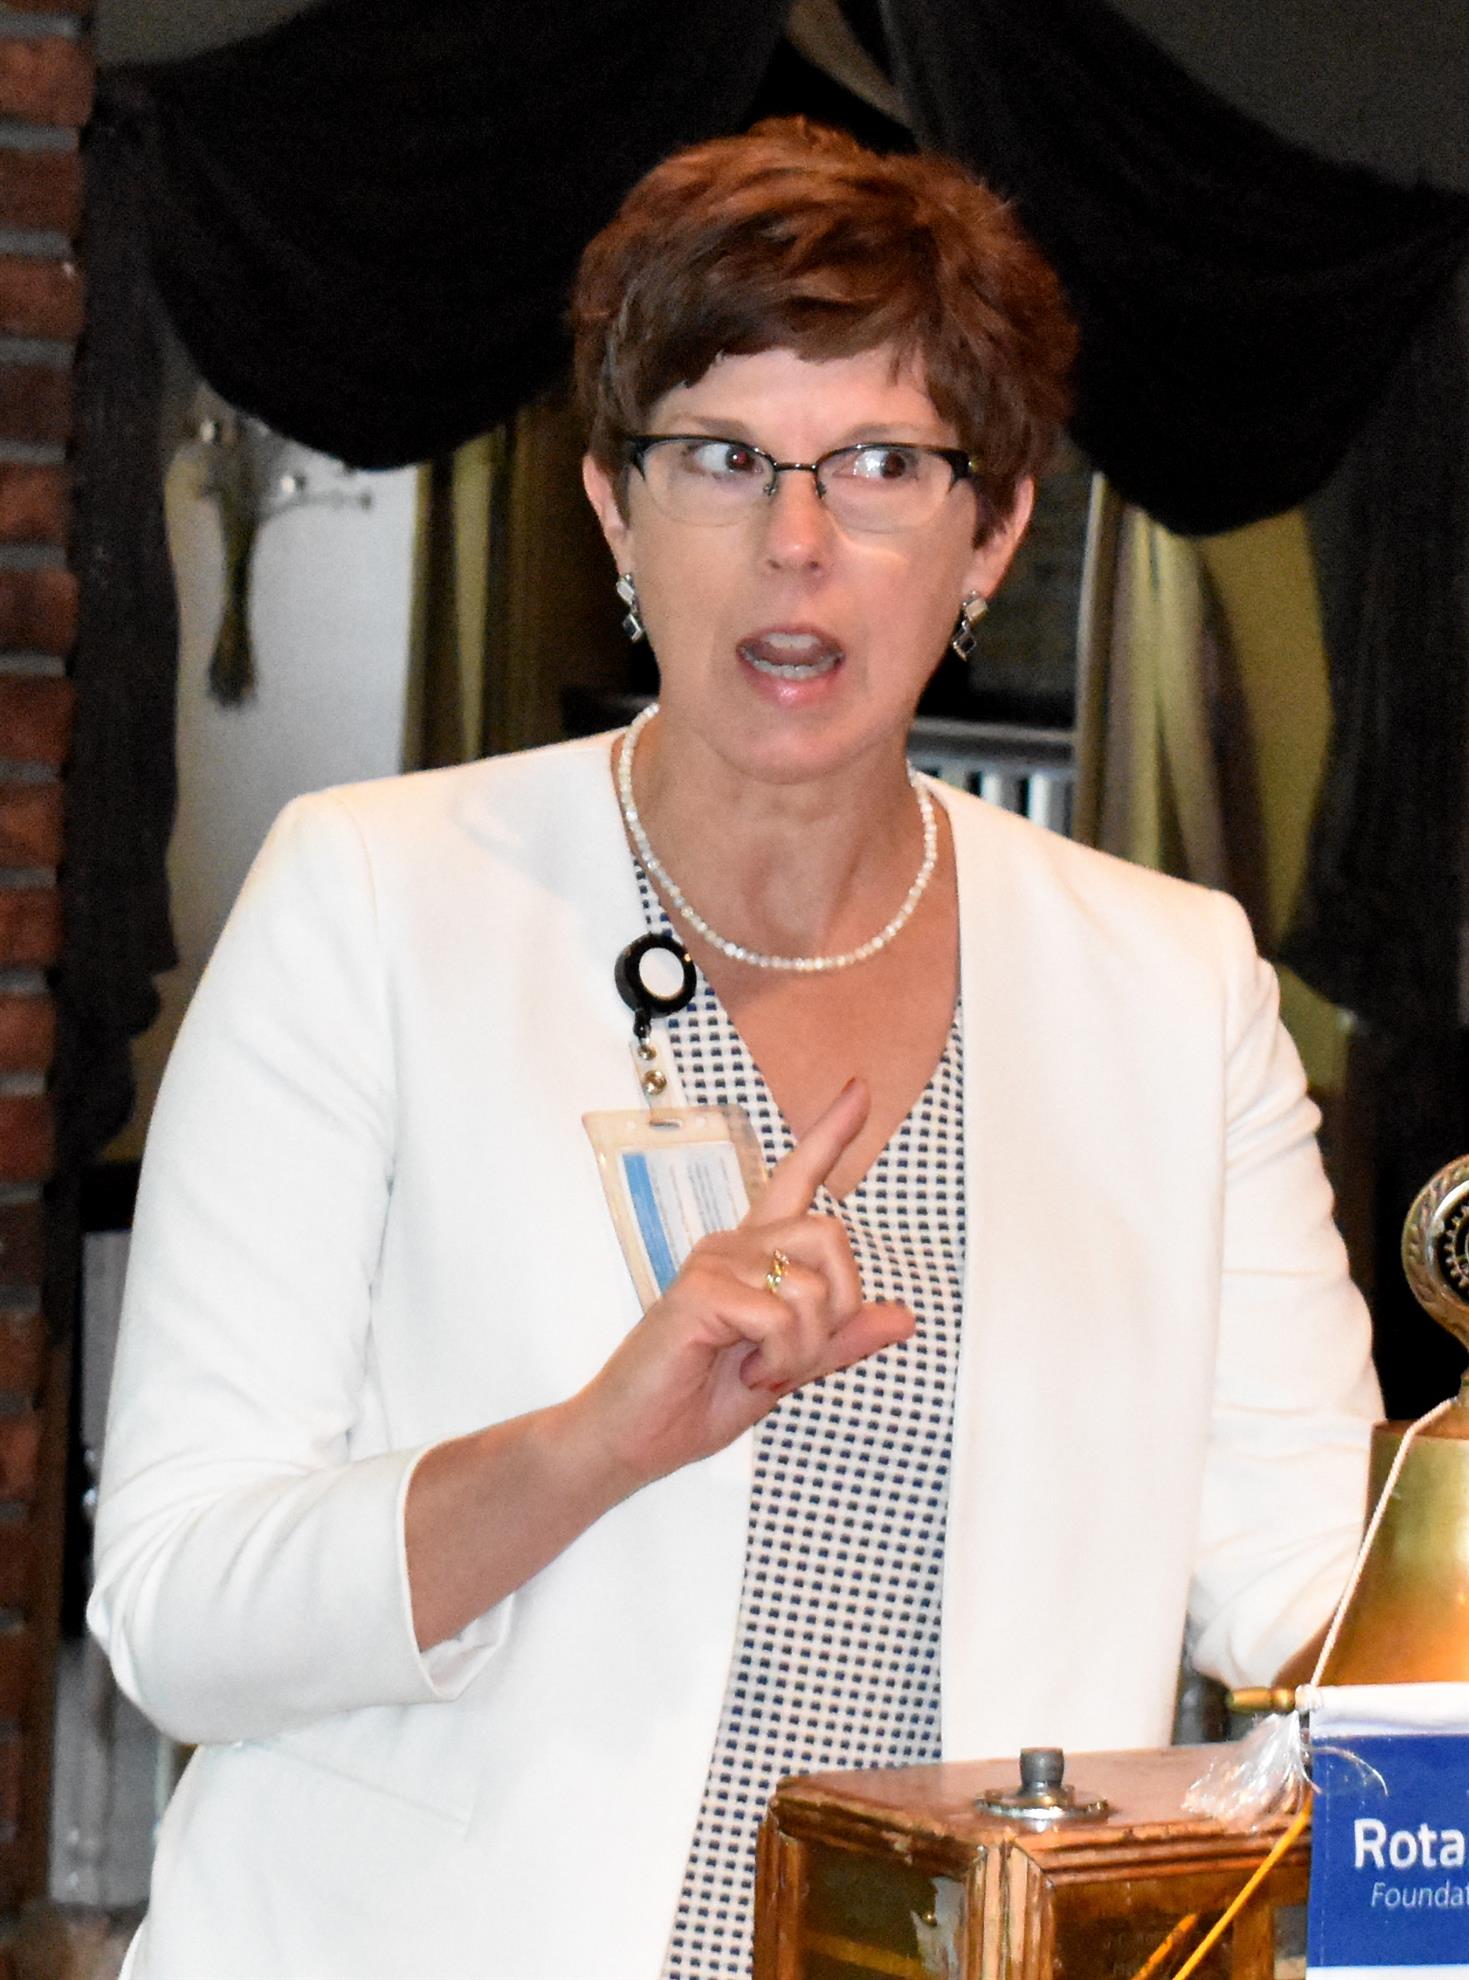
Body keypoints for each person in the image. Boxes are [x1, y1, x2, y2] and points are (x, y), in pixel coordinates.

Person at [90, 119, 1379, 1980]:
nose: (795, 543)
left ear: (993, 531)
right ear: (615, 510)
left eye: (881, 465)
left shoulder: (1170, 989)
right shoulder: (371, 901)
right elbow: (178, 1611)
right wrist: (587, 1448)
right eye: (719, 459)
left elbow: (1319, 1599)